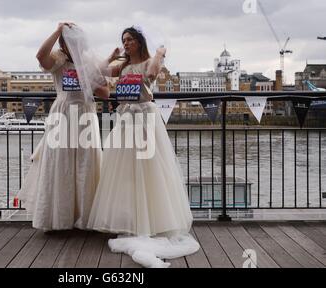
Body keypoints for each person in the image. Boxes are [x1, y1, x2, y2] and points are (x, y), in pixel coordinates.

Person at [87, 26, 199, 268]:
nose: (126, 43)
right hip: (126, 119)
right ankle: (129, 220)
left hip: (145, 120)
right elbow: (98, 72)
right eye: (123, 40)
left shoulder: (149, 62)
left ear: (138, 42)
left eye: (129, 40)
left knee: (149, 168)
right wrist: (111, 55)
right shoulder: (122, 67)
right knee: (124, 172)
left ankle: (153, 220)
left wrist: (160, 53)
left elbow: (152, 73)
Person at [16, 23, 110, 231]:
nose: (70, 44)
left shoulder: (88, 62)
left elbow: (105, 92)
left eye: (73, 40)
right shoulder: (58, 59)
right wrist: (58, 30)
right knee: (61, 163)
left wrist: (90, 81)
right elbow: (41, 56)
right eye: (65, 40)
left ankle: (85, 218)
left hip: (85, 113)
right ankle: (60, 218)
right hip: (63, 114)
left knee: (87, 162)